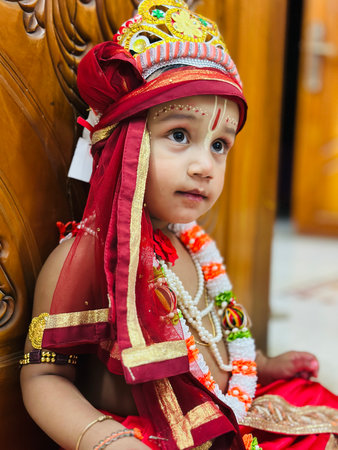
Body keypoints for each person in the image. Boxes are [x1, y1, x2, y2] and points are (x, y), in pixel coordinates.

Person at [20, 1, 338, 449]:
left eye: (220, 145)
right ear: (124, 143)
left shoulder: (193, 246)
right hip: (151, 436)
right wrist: (104, 440)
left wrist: (263, 365)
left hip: (231, 409)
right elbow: (45, 376)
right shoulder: (84, 257)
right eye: (180, 136)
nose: (205, 165)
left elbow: (220, 338)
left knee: (321, 408)